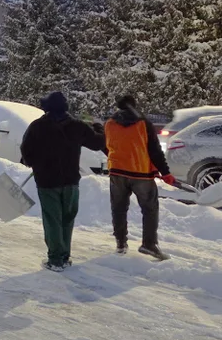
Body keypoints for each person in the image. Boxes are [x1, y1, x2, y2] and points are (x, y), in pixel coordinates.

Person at [20, 91, 107, 272]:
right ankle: (64, 256)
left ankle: (55, 260)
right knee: (67, 219)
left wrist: (35, 162)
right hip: (70, 181)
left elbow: (26, 153)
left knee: (52, 220)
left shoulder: (37, 126)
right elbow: (98, 143)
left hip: (46, 182)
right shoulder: (77, 126)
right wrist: (99, 128)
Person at [104, 95, 175, 260]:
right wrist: (165, 172)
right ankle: (149, 244)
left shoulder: (109, 124)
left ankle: (120, 243)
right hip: (141, 173)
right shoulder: (143, 123)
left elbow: (108, 146)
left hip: (117, 172)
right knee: (149, 209)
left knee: (119, 208)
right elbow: (154, 150)